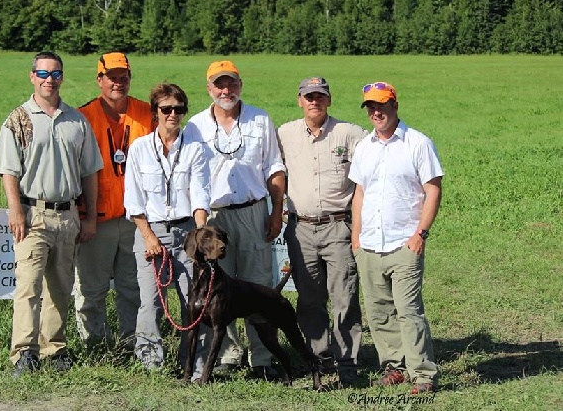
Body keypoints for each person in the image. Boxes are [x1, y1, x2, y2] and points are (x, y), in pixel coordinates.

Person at [0, 51, 103, 377]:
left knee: (60, 286)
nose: (48, 80)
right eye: (42, 73)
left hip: (68, 214)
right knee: (28, 287)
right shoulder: (18, 120)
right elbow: (9, 171)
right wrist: (16, 212)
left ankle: (54, 349)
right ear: (32, 76)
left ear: (62, 78)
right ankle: (24, 354)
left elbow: (90, 173)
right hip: (33, 214)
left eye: (55, 74)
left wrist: (90, 217)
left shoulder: (76, 120)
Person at [184, 60, 286, 381]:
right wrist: (199, 224)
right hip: (214, 217)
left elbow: (274, 167)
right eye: (219, 84)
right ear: (209, 88)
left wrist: (276, 209)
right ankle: (227, 353)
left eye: (231, 83)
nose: (226, 90)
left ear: (240, 85)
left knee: (258, 284)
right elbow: (191, 176)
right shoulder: (195, 126)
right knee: (218, 287)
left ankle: (262, 356)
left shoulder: (260, 118)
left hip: (254, 210)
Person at [348, 82, 444, 394]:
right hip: (370, 243)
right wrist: (356, 237)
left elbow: (433, 188)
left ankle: (423, 375)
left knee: (409, 311)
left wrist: (421, 234)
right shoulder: (364, 147)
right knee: (378, 312)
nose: (376, 112)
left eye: (382, 105)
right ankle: (394, 366)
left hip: (405, 242)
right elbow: (360, 192)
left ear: (395, 106)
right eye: (371, 107)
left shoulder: (417, 143)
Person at [277, 77, 366, 385]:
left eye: (320, 96)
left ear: (329, 99)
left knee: (344, 296)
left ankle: (347, 362)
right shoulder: (284, 134)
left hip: (338, 225)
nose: (314, 101)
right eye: (308, 96)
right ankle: (319, 357)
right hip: (300, 227)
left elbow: (371, 170)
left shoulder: (350, 133)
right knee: (309, 297)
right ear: (300, 100)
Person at [124, 83, 210, 377]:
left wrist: (200, 235)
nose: (173, 114)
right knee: (150, 302)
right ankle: (151, 363)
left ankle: (194, 364)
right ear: (155, 112)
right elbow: (133, 201)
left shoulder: (196, 149)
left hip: (187, 231)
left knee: (195, 300)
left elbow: (200, 195)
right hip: (150, 230)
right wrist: (148, 238)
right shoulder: (139, 149)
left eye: (178, 109)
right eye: (166, 109)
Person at [73, 52, 154, 352]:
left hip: (136, 219)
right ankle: (93, 344)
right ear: (99, 79)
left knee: (132, 287)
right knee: (91, 289)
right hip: (97, 218)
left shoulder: (147, 114)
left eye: (124, 77)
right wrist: (85, 216)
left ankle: (131, 343)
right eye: (111, 77)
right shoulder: (83, 117)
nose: (118, 83)